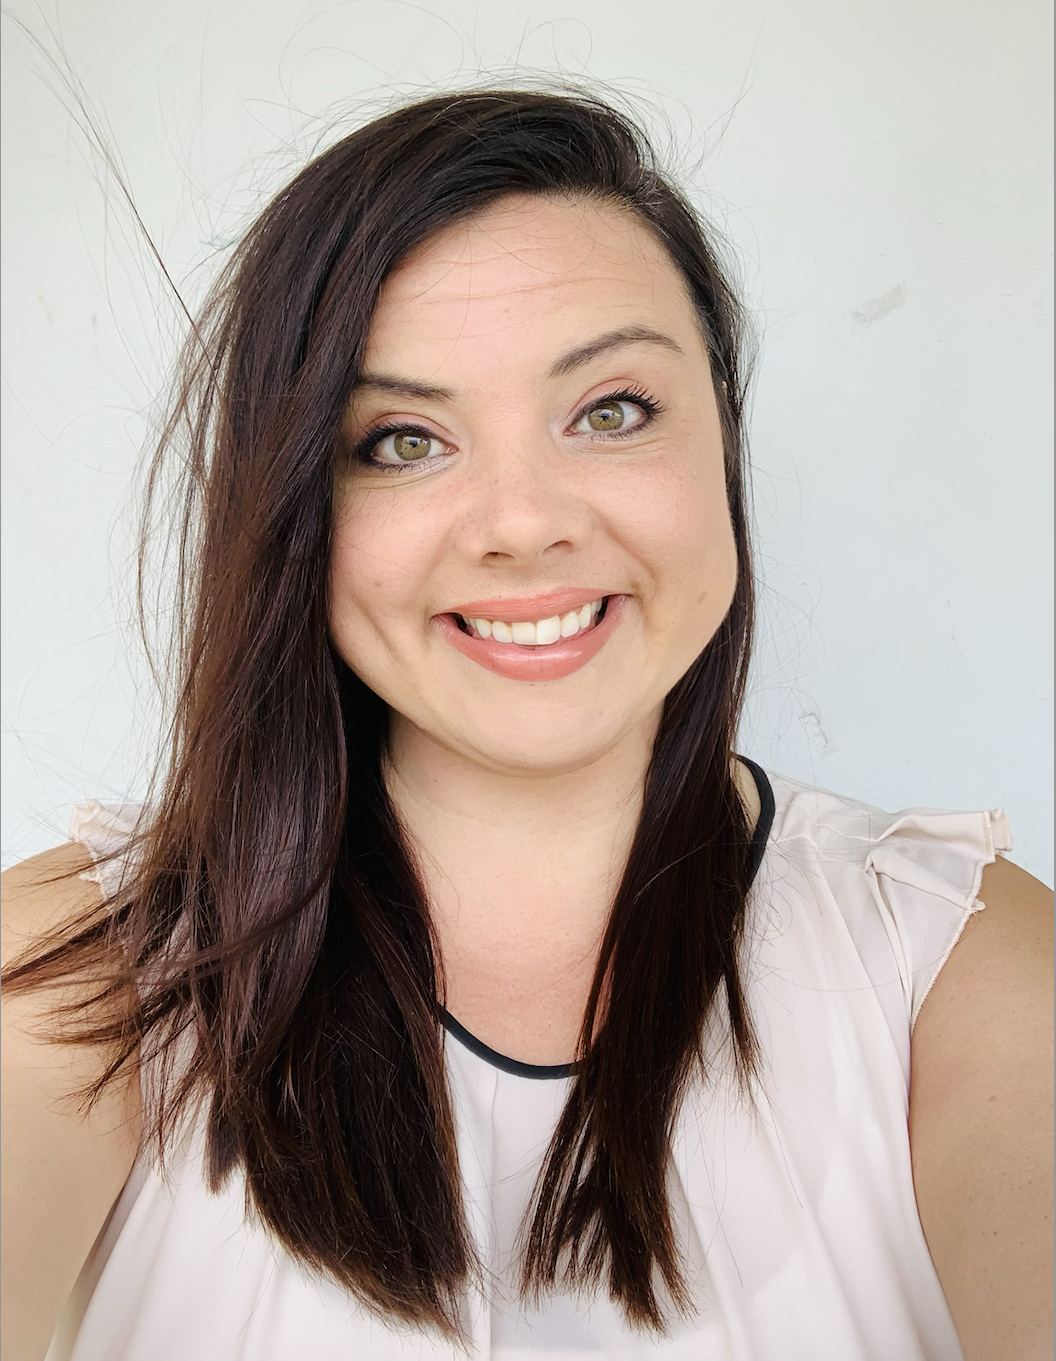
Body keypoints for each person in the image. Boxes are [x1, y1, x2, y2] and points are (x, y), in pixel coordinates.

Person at [0, 89, 1051, 1361]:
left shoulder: (965, 967)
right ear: (291, 511)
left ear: (720, 432)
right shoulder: (79, 975)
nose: (522, 521)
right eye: (400, 440)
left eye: (610, 409)